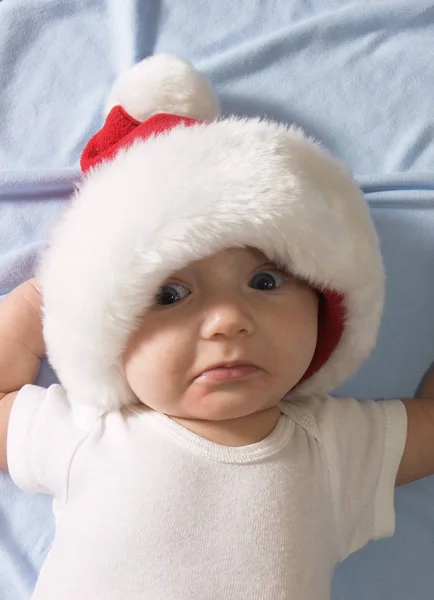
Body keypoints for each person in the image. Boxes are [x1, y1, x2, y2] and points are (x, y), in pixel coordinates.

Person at [0, 54, 433, 600]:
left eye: (266, 281)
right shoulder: (88, 432)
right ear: (106, 329)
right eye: (169, 295)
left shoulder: (335, 447)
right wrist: (52, 294)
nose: (229, 319)